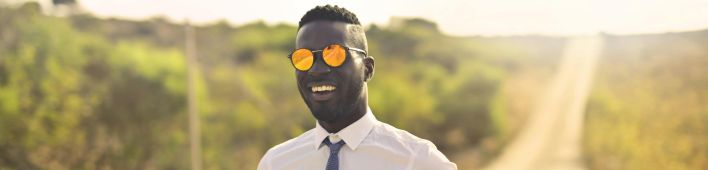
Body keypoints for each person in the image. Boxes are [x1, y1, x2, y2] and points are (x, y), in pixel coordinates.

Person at [257, 5, 457, 170]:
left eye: (334, 54)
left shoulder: (419, 162)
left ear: (367, 69)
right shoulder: (276, 163)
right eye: (303, 58)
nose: (317, 70)